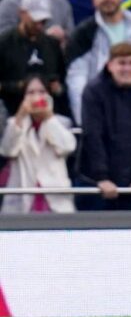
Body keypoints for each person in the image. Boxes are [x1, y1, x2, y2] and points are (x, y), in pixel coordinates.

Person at [76, 41, 131, 211]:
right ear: (109, 65)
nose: (127, 69)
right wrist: (101, 177)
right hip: (95, 182)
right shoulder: (93, 91)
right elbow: (93, 136)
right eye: (121, 63)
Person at [0, 74, 76, 214]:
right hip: (23, 196)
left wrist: (48, 117)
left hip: (54, 198)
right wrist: (21, 116)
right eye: (31, 92)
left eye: (41, 92)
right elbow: (7, 150)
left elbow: (67, 147)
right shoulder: (14, 123)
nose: (36, 97)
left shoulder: (61, 122)